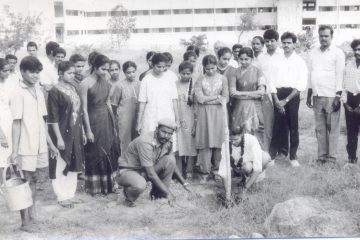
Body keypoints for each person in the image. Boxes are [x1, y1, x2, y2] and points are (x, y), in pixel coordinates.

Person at [10, 56, 58, 231]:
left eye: (38, 72)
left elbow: (42, 121)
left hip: (39, 145)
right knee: (24, 182)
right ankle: (25, 222)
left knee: (34, 180)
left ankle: (33, 215)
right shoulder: (18, 92)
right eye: (31, 72)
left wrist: (51, 144)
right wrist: (14, 151)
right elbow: (16, 123)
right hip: (25, 145)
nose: (35, 75)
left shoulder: (38, 90)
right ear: (22, 72)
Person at [118, 118, 190, 207]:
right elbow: (151, 174)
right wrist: (169, 194)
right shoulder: (145, 142)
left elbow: (172, 164)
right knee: (140, 184)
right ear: (157, 129)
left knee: (170, 160)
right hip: (128, 171)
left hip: (144, 171)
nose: (166, 136)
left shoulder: (168, 140)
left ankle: (158, 195)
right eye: (163, 132)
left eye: (169, 133)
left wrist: (185, 183)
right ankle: (128, 197)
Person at [80, 54, 120, 195]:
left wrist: (113, 124)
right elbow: (83, 108)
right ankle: (95, 187)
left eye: (108, 69)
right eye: (103, 69)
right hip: (93, 119)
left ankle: (110, 185)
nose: (106, 72)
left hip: (106, 119)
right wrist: (88, 130)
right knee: (95, 151)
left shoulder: (106, 80)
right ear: (94, 67)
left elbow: (108, 101)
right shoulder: (85, 83)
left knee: (109, 149)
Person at [47, 61, 85, 208]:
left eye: (73, 73)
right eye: (69, 73)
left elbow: (78, 112)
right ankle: (61, 196)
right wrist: (59, 138)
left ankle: (71, 194)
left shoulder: (73, 87)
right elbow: (52, 118)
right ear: (60, 73)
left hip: (75, 130)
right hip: (61, 131)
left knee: (74, 161)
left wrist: (81, 130)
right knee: (61, 162)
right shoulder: (54, 91)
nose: (72, 75)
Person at [307, 25, 345, 164]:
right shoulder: (312, 53)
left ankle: (332, 157)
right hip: (317, 95)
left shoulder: (338, 53)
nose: (323, 38)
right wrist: (309, 93)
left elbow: (339, 74)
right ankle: (322, 156)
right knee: (320, 128)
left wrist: (337, 96)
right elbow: (310, 74)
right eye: (321, 35)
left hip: (331, 95)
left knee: (332, 128)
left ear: (331, 37)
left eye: (326, 36)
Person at [269, 32, 308, 167]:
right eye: (284, 42)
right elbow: (271, 81)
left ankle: (293, 157)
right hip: (277, 94)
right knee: (277, 126)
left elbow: (300, 85)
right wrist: (275, 99)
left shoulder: (299, 62)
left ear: (294, 44)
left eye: (289, 43)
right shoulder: (276, 60)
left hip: (292, 95)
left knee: (293, 126)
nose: (286, 45)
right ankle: (272, 156)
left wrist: (285, 101)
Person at [194, 55, 229, 181]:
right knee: (205, 141)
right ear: (204, 68)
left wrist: (210, 99)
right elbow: (200, 99)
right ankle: (204, 171)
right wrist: (216, 98)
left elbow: (225, 98)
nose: (210, 71)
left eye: (213, 68)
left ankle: (217, 171)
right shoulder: (200, 79)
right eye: (207, 69)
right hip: (204, 114)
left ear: (217, 66)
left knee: (219, 141)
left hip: (219, 113)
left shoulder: (223, 79)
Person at [229, 47, 266, 147]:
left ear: (252, 59)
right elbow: (232, 92)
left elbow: (261, 92)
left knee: (254, 131)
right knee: (238, 131)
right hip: (239, 107)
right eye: (241, 59)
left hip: (254, 106)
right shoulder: (234, 72)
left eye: (246, 59)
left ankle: (256, 158)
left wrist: (240, 93)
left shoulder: (258, 72)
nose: (243, 62)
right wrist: (252, 94)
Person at [137, 53, 179, 135]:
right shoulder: (146, 80)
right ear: (153, 65)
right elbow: (142, 103)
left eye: (163, 67)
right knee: (150, 141)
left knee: (166, 140)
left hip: (167, 114)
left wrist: (177, 120)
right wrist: (139, 122)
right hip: (151, 116)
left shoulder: (170, 79)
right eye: (158, 67)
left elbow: (174, 100)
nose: (161, 69)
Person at [257, 29, 282, 156]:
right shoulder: (261, 57)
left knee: (281, 123)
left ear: (277, 41)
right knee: (267, 123)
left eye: (272, 41)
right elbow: (260, 76)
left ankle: (282, 150)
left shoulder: (282, 55)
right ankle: (267, 150)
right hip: (266, 94)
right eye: (267, 41)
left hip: (280, 93)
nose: (270, 43)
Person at [230, 120, 271, 192]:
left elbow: (257, 167)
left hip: (254, 160)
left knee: (266, 157)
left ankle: (256, 178)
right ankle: (245, 179)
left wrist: (245, 188)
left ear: (241, 135)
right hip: (244, 164)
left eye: (236, 139)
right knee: (247, 167)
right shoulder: (228, 144)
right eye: (231, 140)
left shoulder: (251, 139)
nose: (233, 142)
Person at [111, 61, 140, 155]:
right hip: (125, 118)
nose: (131, 74)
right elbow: (114, 105)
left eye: (133, 71)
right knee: (125, 140)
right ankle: (125, 164)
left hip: (138, 116)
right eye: (128, 72)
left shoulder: (140, 84)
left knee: (137, 140)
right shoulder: (119, 86)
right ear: (124, 73)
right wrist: (117, 119)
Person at [175, 61, 197, 179]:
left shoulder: (194, 85)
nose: (185, 76)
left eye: (188, 74)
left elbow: (197, 104)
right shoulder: (174, 84)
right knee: (178, 143)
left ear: (191, 73)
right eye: (183, 74)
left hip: (190, 117)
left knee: (190, 143)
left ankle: (189, 170)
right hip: (177, 116)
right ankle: (178, 170)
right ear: (179, 73)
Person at [342, 39, 360, 164]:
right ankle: (351, 159)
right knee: (351, 132)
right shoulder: (348, 65)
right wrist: (345, 103)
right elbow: (343, 85)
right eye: (355, 50)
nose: (357, 52)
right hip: (350, 100)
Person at [0, 58, 12, 181]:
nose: (7, 73)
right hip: (1, 126)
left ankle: (7, 186)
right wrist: (1, 135)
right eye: (4, 71)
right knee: (1, 159)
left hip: (9, 122)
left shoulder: (8, 84)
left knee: (8, 158)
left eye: (9, 70)